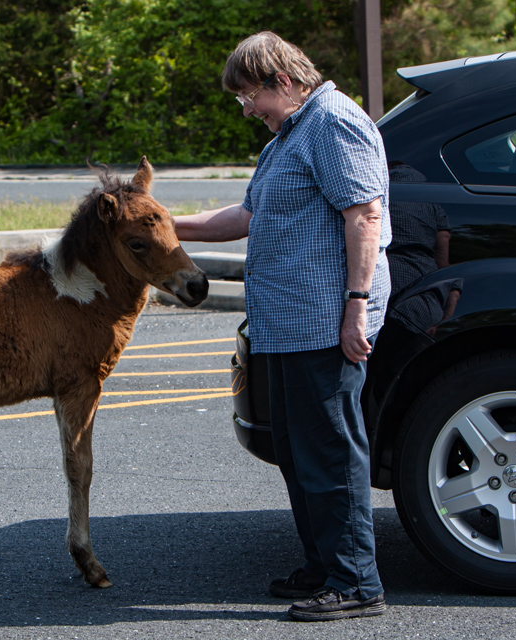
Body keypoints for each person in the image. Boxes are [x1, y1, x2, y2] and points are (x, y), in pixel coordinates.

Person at [174, 31, 391, 622]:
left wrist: (355, 306)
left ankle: (356, 583)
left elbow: (364, 215)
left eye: (250, 97)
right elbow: (247, 215)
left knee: (330, 451)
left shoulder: (333, 123)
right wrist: (165, 226)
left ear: (284, 82)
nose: (247, 110)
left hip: (326, 320)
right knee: (299, 451)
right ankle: (324, 566)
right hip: (291, 323)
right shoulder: (289, 135)